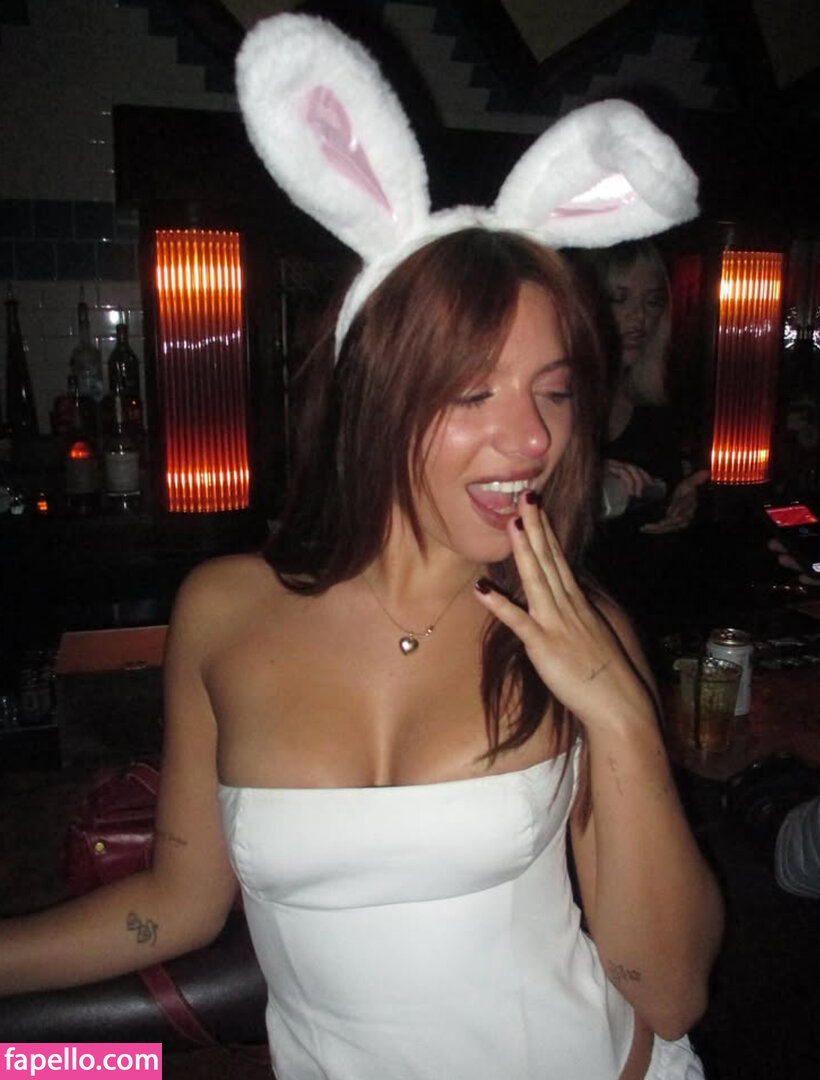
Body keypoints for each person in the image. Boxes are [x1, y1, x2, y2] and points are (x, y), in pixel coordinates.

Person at [0, 15, 723, 1080]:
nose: (532, 439)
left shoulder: (577, 629)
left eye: (554, 392)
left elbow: (669, 990)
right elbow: (177, 908)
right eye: (472, 392)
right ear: (373, 396)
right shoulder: (225, 611)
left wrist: (617, 712)